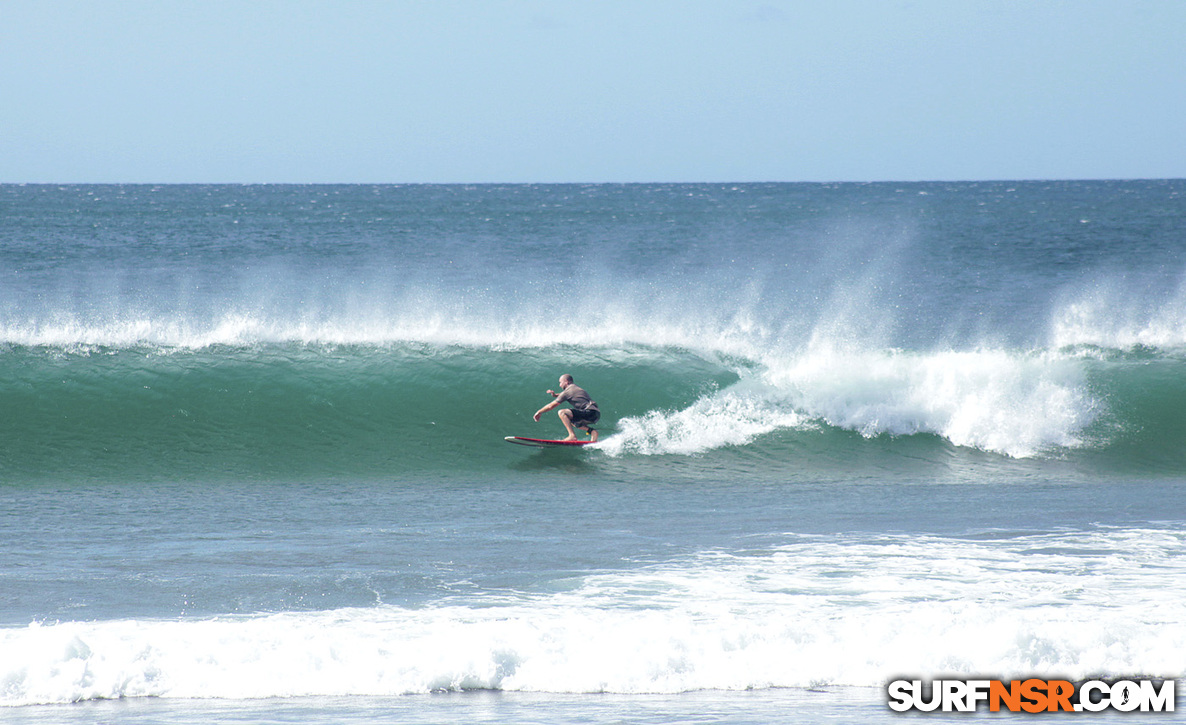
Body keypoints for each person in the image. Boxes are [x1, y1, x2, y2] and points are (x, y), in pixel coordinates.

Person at [533, 374, 600, 442]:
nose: (559, 385)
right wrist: (555, 395)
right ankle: (592, 431)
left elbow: (551, 406)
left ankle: (572, 436)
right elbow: (565, 394)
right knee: (572, 421)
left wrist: (539, 412)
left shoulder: (568, 391)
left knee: (562, 412)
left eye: (560, 382)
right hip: (595, 414)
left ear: (566, 381)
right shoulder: (574, 388)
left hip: (589, 412)